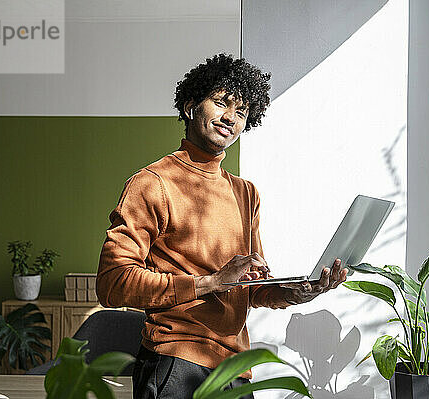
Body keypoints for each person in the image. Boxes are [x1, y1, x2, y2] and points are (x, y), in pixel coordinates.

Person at [96, 53, 348, 399]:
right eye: (221, 103)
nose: (230, 117)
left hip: (235, 368)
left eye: (241, 112)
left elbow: (254, 288)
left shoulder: (245, 193)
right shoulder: (153, 182)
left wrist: (299, 292)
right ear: (190, 107)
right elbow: (113, 284)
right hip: (175, 361)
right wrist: (210, 283)